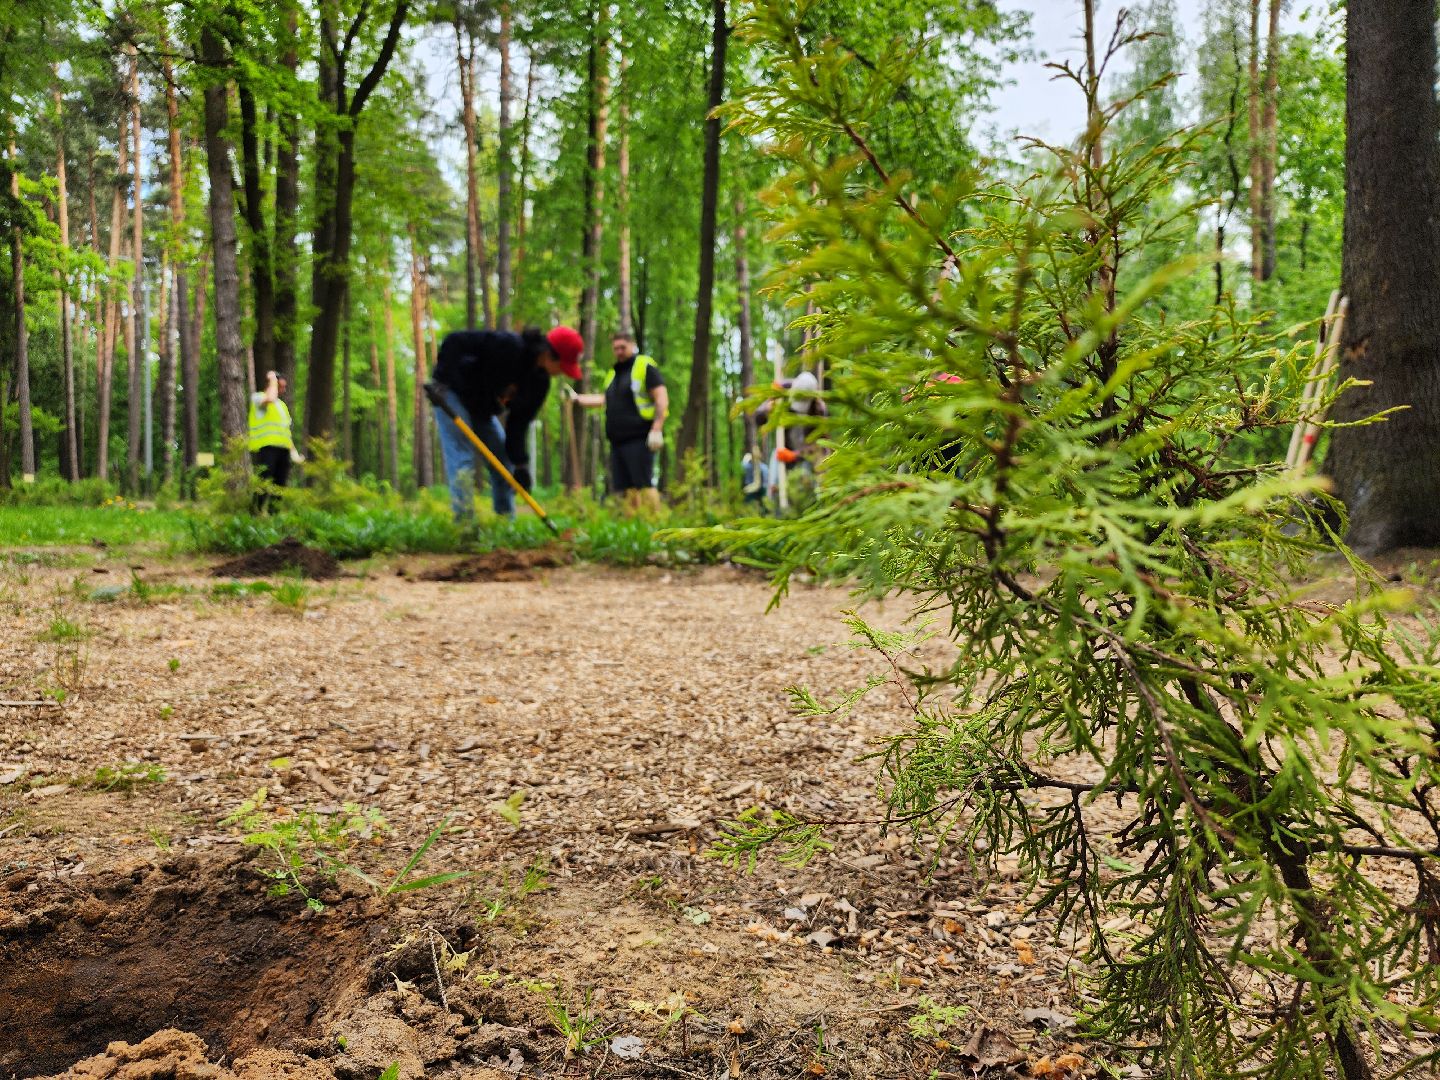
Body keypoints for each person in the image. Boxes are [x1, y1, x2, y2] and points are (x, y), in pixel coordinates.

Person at [430, 325, 584, 520]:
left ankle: (505, 524)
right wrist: (442, 380)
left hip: (481, 410)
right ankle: (465, 525)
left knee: (504, 464)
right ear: (548, 354)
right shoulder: (508, 346)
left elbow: (518, 423)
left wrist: (521, 464)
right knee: (462, 456)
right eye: (563, 365)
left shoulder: (539, 384)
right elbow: (455, 340)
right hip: (451, 393)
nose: (563, 372)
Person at [570, 330, 669, 511]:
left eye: (623, 347)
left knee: (644, 484)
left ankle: (655, 525)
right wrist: (577, 399)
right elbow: (604, 399)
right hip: (617, 441)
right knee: (626, 488)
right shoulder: (613, 375)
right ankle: (634, 529)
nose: (619, 351)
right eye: (616, 348)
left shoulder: (644, 366)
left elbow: (661, 397)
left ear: (632, 345)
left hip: (639, 438)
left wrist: (657, 427)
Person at [248, 370, 297, 513]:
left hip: (283, 450)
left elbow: (286, 432)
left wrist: (294, 453)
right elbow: (270, 398)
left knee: (280, 485)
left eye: (283, 387)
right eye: (279, 386)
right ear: (270, 384)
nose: (282, 390)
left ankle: (274, 514)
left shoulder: (282, 406)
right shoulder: (258, 398)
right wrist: (272, 379)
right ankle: (255, 512)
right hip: (267, 448)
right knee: (264, 481)